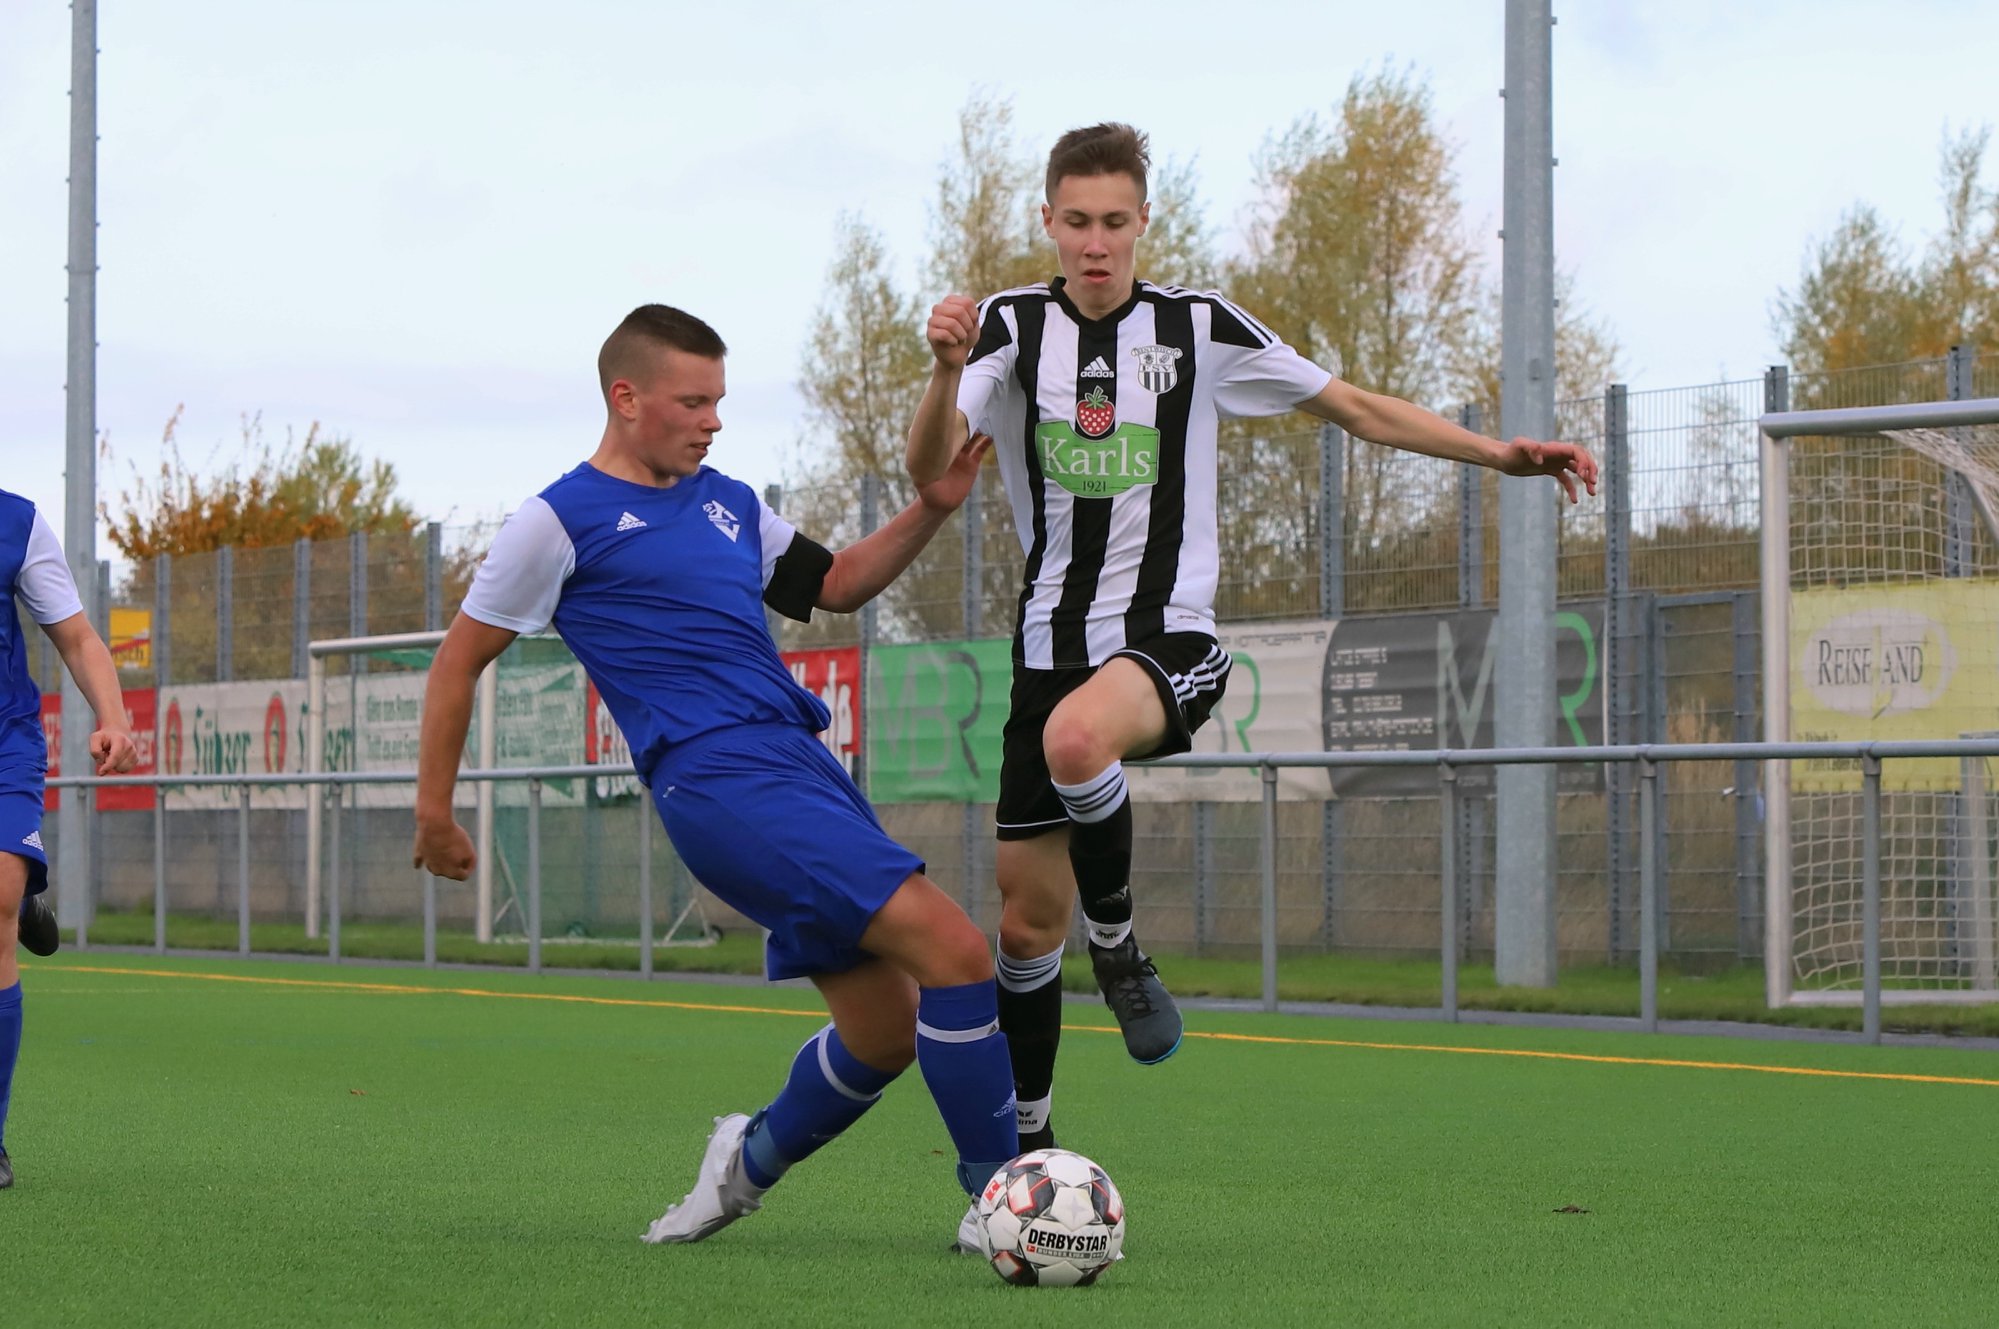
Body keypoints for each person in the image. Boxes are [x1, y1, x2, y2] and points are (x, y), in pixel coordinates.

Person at [907, 123, 1599, 1153]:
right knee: (1022, 927)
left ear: (1143, 222)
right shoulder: (1007, 327)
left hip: (1168, 638)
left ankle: (1119, 945)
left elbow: (1355, 408)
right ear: (1047, 221)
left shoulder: (1196, 326)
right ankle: (1030, 1149)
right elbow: (929, 470)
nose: (1095, 243)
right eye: (1077, 222)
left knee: (1077, 742)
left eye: (1114, 222)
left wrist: (1499, 455)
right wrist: (942, 370)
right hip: (1045, 651)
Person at [412, 304, 1016, 1245]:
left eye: (719, 400)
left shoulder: (729, 501)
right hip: (719, 782)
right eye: (693, 402)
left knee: (883, 1032)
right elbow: (456, 662)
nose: (713, 421)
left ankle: (740, 1165)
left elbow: (837, 583)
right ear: (626, 398)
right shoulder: (555, 521)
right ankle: (1002, 1204)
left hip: (800, 764)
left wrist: (932, 506)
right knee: (958, 951)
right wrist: (434, 811)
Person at [0, 491, 139, 1190]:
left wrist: (114, 717)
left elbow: (78, 638)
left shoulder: (17, 523)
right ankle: (22, 899)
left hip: (4, 743)